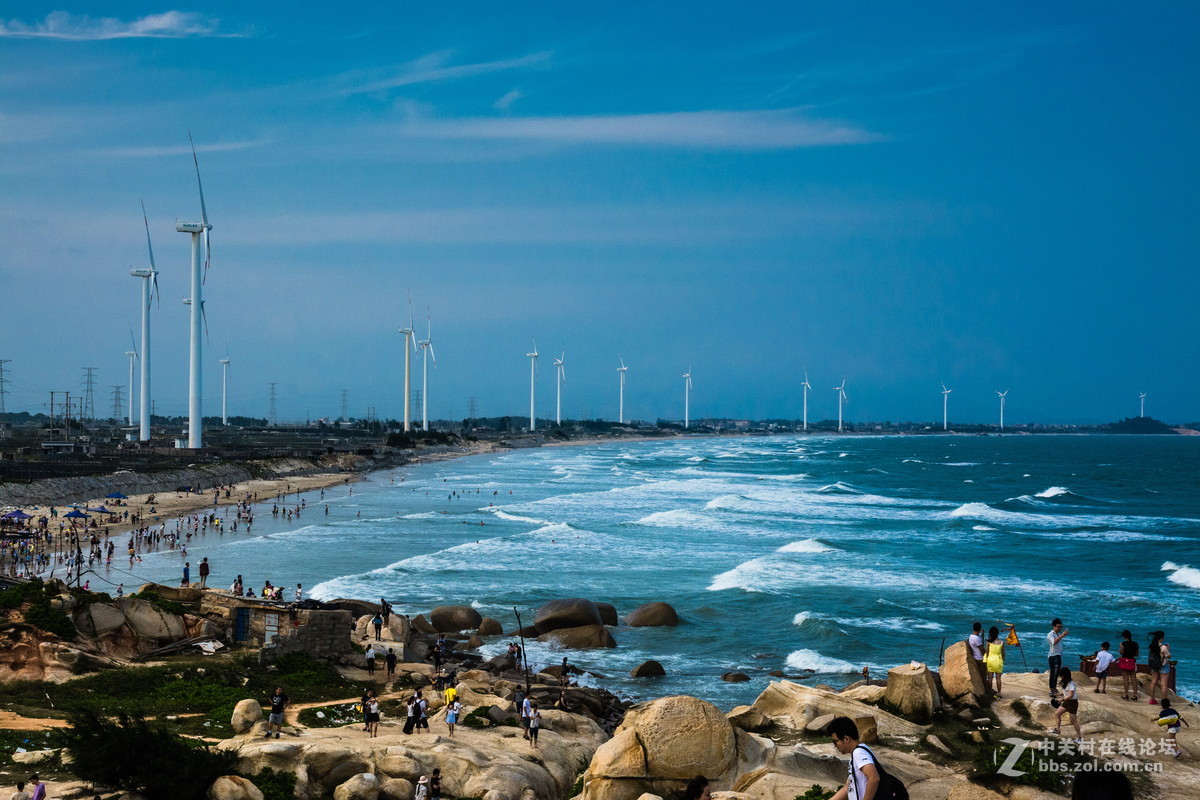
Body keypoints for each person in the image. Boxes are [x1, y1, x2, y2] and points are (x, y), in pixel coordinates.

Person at [826, 716, 884, 800]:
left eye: (835, 741)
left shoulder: (859, 753)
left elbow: (874, 778)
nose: (835, 745)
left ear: (846, 739)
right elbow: (848, 788)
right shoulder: (858, 752)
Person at [1052, 667, 1082, 742]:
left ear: (1065, 675)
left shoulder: (1072, 684)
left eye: (1061, 675)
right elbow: (1066, 692)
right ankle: (1057, 730)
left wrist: (1061, 699)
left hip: (1072, 703)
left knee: (1073, 721)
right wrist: (1058, 694)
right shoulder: (1065, 682)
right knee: (1057, 713)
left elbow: (1071, 695)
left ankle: (1079, 738)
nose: (1060, 677)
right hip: (1066, 702)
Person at [1147, 630, 1172, 705]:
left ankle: (1152, 699)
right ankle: (1165, 701)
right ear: (1161, 638)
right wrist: (1168, 648)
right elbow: (1169, 657)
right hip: (1163, 666)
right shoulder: (1163, 647)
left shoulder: (1151, 646)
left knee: (1153, 682)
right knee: (1164, 684)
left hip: (1154, 666)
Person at [1047, 619, 1068, 696]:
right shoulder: (1051, 634)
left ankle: (1054, 688)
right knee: (1054, 673)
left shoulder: (1058, 634)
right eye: (1058, 627)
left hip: (1058, 655)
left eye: (1061, 627)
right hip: (1053, 656)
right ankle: (1052, 690)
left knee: (1056, 673)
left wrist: (1061, 635)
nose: (1060, 628)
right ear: (1054, 626)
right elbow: (1054, 642)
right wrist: (1063, 635)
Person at [1117, 629, 1140, 701]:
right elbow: (1137, 654)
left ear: (1124, 637)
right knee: (1133, 679)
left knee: (1126, 679)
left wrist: (1121, 651)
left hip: (1125, 661)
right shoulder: (1136, 644)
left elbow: (1121, 652)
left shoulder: (1122, 644)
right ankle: (1135, 695)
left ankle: (1126, 695)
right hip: (1132, 661)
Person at [984, 625, 1005, 697]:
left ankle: (990, 691)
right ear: (997, 633)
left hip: (990, 660)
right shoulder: (1002, 642)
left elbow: (987, 652)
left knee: (990, 677)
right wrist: (1002, 661)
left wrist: (986, 660)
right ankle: (999, 692)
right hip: (998, 660)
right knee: (998, 678)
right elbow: (1003, 654)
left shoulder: (988, 642)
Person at [968, 622, 987, 688]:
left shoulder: (971, 636)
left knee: (981, 675)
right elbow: (982, 649)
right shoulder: (977, 639)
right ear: (979, 629)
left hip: (975, 657)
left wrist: (982, 635)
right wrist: (987, 655)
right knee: (984, 675)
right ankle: (986, 689)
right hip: (980, 658)